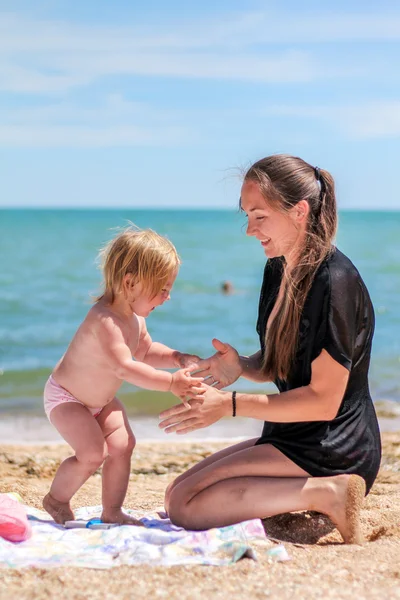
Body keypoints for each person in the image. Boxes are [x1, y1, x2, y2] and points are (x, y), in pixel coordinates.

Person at [159, 154, 381, 544]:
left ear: (299, 212)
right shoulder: (278, 268)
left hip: (337, 444)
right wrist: (242, 366)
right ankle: (315, 493)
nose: (249, 229)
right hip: (296, 433)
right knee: (178, 494)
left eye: (259, 216)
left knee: (184, 505)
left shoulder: (335, 281)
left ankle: (329, 491)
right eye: (247, 215)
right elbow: (284, 362)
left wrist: (228, 406)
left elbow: (324, 401)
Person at [43, 226, 204, 525]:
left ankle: (112, 511)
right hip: (67, 398)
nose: (167, 297)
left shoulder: (135, 320)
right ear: (130, 283)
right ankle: (56, 499)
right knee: (92, 454)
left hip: (101, 401)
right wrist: (170, 383)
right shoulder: (103, 320)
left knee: (123, 445)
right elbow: (124, 367)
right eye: (163, 289)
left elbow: (145, 351)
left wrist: (176, 358)